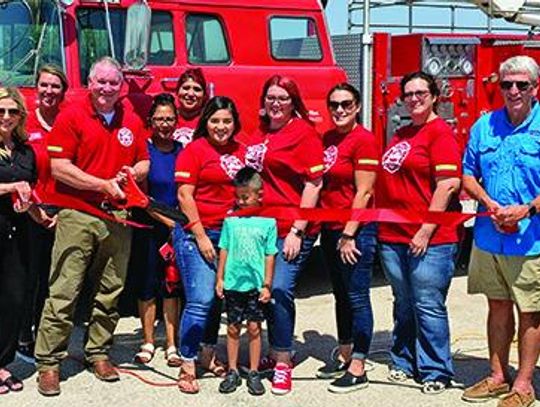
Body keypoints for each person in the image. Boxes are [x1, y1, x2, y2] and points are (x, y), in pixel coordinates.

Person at [34, 56, 150, 397]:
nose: (107, 89)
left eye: (113, 83)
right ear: (89, 81)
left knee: (111, 289)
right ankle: (49, 364)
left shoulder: (131, 117)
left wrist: (132, 175)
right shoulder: (72, 115)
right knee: (64, 289)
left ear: (122, 86)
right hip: (78, 213)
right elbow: (59, 167)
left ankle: (98, 352)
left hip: (118, 215)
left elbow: (144, 159)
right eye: (101, 82)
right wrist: (102, 184)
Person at [461, 55, 540, 407]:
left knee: (531, 311)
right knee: (497, 306)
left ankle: (523, 385)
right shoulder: (485, 126)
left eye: (521, 84)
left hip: (531, 239)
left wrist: (527, 208)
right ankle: (497, 376)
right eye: (506, 84)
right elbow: (467, 173)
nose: (513, 90)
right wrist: (488, 203)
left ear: (535, 88)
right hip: (489, 235)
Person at [377, 71, 462, 395]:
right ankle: (403, 359)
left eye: (420, 93)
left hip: (430, 238)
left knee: (427, 303)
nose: (413, 98)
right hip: (394, 235)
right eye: (408, 94)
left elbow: (448, 184)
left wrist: (426, 230)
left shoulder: (439, 134)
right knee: (403, 302)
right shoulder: (402, 133)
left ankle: (436, 370)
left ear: (434, 96)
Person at [243, 75, 324, 395]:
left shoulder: (304, 134)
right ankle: (271, 350)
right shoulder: (258, 131)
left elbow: (313, 184)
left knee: (278, 289)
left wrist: (297, 230)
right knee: (256, 292)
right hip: (256, 229)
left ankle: (282, 360)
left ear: (294, 102)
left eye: (283, 98)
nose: (275, 103)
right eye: (271, 97)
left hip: (288, 230)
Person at [173, 96, 245, 394]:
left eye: (227, 121)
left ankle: (207, 353)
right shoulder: (194, 151)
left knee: (218, 300)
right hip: (195, 234)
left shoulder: (243, 151)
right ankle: (187, 363)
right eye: (215, 120)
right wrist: (201, 236)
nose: (221, 126)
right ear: (206, 122)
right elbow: (184, 196)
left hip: (229, 236)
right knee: (201, 299)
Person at [317, 83, 379, 393]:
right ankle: (345, 352)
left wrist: (349, 234)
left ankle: (359, 364)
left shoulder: (364, 141)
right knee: (341, 295)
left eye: (346, 104)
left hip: (354, 231)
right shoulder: (328, 139)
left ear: (356, 107)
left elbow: (364, 191)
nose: (339, 110)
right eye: (334, 105)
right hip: (330, 230)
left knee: (357, 296)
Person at [17, 64, 68, 364]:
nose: (49, 91)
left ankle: (46, 337)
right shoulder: (23, 126)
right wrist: (36, 211)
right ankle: (24, 336)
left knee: (55, 280)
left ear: (63, 91)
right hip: (31, 212)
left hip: (64, 213)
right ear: (37, 88)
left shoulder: (68, 121)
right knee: (28, 276)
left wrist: (64, 212)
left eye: (56, 86)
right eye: (44, 85)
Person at [215, 167, 276, 396]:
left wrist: (267, 284)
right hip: (233, 283)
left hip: (255, 285)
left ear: (259, 195)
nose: (240, 201)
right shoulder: (231, 220)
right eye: (238, 197)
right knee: (232, 327)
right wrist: (220, 278)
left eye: (245, 197)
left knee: (254, 327)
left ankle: (253, 371)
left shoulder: (268, 221)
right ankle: (232, 370)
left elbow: (270, 254)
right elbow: (224, 248)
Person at [132, 93, 183, 368]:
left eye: (170, 119)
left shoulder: (183, 151)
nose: (165, 124)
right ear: (151, 120)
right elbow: (142, 198)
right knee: (147, 284)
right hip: (150, 227)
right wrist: (169, 224)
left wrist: (179, 227)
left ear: (176, 121)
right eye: (160, 118)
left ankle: (172, 344)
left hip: (178, 228)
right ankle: (148, 341)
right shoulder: (144, 152)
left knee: (172, 285)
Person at [0, 87, 37, 394]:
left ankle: (3, 363)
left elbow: (30, 190)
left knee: (13, 299)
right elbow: (17, 185)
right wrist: (11, 186)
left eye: (12, 111)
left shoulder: (26, 150)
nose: (7, 117)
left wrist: (36, 211)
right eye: (1, 111)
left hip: (17, 232)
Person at [173, 68, 208, 146]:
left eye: (197, 89)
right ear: (177, 91)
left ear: (204, 95)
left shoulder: (209, 121)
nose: (191, 94)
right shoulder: (167, 118)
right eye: (186, 88)